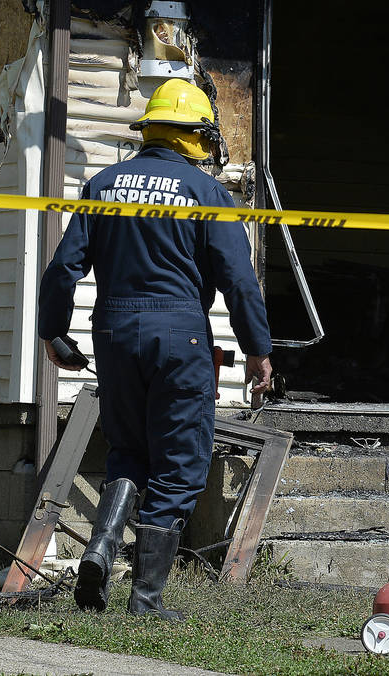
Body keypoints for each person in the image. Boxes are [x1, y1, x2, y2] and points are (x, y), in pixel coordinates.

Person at [37, 78, 273, 617]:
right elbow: (238, 279)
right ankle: (146, 598)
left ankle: (99, 547)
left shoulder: (102, 184)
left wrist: (54, 332)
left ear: (149, 130)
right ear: (195, 137)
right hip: (178, 333)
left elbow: (62, 270)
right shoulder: (206, 193)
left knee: (127, 450)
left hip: (113, 334)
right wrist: (257, 349)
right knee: (179, 464)